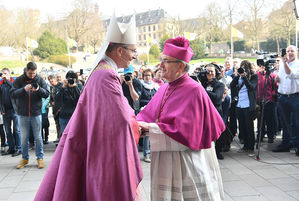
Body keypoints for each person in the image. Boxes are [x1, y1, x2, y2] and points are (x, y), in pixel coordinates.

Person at [34, 13, 142, 201]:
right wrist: (139, 125)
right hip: (102, 151)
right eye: (133, 51)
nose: (135, 56)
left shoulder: (101, 70)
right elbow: (122, 118)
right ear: (119, 51)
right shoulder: (107, 75)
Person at [137, 36, 225, 200]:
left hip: (187, 162)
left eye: (166, 61)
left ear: (181, 66)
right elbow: (147, 114)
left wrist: (149, 128)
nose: (160, 66)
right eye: (161, 60)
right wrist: (138, 126)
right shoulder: (164, 88)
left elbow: (187, 134)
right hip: (165, 159)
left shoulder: (194, 90)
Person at [10, 62, 50, 169]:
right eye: (30, 73)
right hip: (22, 113)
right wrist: (24, 89)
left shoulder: (40, 79)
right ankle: (24, 158)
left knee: (38, 137)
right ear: (26, 70)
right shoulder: (19, 80)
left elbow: (47, 93)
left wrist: (39, 89)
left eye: (34, 73)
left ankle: (40, 158)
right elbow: (12, 94)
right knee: (24, 138)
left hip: (36, 113)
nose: (32, 75)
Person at [272, 45, 299, 156]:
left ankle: (297, 146)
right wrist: (276, 79)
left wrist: (284, 63)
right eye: (288, 51)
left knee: (297, 123)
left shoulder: (296, 64)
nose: (290, 53)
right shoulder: (283, 65)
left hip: (295, 97)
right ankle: (285, 144)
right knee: (284, 122)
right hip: (283, 97)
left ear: (296, 52)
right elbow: (280, 77)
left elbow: (291, 74)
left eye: (292, 51)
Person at [230, 60, 258, 156]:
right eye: (241, 67)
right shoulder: (238, 77)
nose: (243, 69)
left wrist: (244, 77)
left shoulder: (254, 76)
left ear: (249, 68)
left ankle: (251, 147)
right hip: (239, 104)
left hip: (248, 105)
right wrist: (238, 75)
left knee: (249, 127)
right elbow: (231, 85)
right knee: (242, 126)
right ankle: (245, 145)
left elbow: (251, 87)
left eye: (245, 67)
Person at [201, 63, 225, 159]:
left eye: (212, 71)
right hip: (204, 112)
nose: (210, 73)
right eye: (208, 71)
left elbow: (217, 98)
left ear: (215, 73)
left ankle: (218, 152)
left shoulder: (219, 85)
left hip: (215, 111)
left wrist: (201, 89)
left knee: (217, 132)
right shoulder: (203, 83)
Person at [0, 68, 21, 156]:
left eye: (5, 73)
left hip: (15, 110)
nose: (3, 75)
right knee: (8, 130)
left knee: (16, 130)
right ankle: (11, 148)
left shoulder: (13, 82)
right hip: (5, 111)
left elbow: (15, 89)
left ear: (9, 74)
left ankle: (19, 148)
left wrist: (8, 80)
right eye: (2, 74)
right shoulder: (1, 85)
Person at [139, 68, 159, 163]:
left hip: (155, 112)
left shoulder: (156, 86)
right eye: (146, 75)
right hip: (145, 112)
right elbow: (139, 100)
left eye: (149, 75)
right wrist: (150, 103)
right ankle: (146, 153)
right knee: (147, 134)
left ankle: (153, 153)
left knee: (154, 133)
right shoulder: (141, 86)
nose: (148, 77)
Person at [256, 63, 278, 143]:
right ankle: (260, 136)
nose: (263, 67)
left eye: (264, 66)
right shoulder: (257, 75)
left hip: (269, 101)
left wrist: (272, 95)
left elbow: (276, 87)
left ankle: (270, 136)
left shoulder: (272, 76)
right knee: (260, 120)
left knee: (270, 120)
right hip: (259, 101)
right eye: (261, 65)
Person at [56, 70, 83, 135]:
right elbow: (57, 99)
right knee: (65, 137)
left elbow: (80, 100)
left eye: (73, 78)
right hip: (64, 116)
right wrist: (63, 87)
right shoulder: (63, 86)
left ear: (76, 79)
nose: (71, 79)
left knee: (75, 137)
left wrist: (75, 87)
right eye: (69, 77)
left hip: (75, 116)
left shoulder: (78, 86)